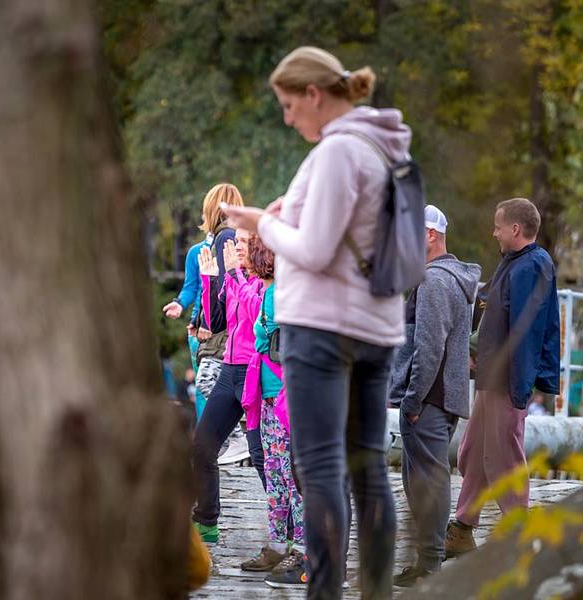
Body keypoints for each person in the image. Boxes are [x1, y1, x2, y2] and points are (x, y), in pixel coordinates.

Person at [223, 46, 412, 599]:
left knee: (322, 466)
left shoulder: (337, 153)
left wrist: (264, 225)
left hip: (325, 331)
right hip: (373, 327)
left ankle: (324, 590)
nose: (287, 118)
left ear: (313, 94)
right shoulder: (379, 149)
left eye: (287, 105)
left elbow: (313, 248)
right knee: (367, 466)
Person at [446, 197, 560, 558]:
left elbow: (527, 331)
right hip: (492, 378)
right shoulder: (513, 264)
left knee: (503, 457)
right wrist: (474, 351)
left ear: (515, 229)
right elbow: (494, 319)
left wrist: (519, 388)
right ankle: (463, 528)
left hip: (507, 381)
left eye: (498, 226)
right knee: (473, 452)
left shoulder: (532, 266)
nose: (493, 232)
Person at [388, 205, 481, 586]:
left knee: (428, 482)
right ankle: (428, 562)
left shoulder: (434, 282)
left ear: (430, 235)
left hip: (428, 399)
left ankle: (429, 565)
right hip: (441, 397)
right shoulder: (449, 279)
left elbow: (429, 348)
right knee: (425, 480)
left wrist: (411, 400)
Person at [237, 234, 306, 586]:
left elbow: (266, 337)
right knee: (277, 473)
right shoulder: (269, 291)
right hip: (268, 394)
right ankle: (280, 544)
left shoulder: (280, 292)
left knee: (290, 476)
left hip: (283, 395)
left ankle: (301, 549)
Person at [192, 228, 266, 543]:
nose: (236, 248)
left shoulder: (265, 282)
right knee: (202, 446)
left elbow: (254, 314)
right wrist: (210, 280)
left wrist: (234, 274)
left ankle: (291, 530)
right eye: (235, 243)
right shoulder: (235, 278)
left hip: (255, 374)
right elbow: (216, 321)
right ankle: (206, 522)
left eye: (243, 243)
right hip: (229, 370)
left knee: (262, 457)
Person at [163, 183, 245, 419]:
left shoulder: (237, 247)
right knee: (203, 390)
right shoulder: (196, 252)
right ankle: (208, 441)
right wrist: (179, 303)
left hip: (224, 327)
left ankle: (225, 442)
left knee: (222, 389)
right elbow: (191, 287)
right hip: (201, 329)